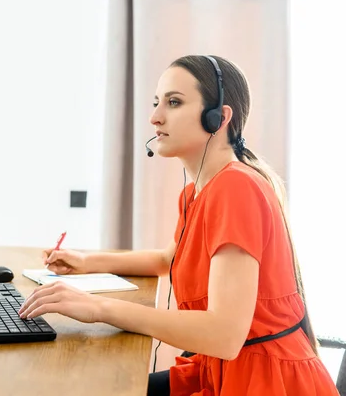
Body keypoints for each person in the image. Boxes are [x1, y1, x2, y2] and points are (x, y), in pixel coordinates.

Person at [18, 55, 339, 395]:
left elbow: (224, 334)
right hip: (222, 370)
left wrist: (98, 308)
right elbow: (167, 260)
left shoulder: (236, 188)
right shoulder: (196, 193)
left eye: (174, 102)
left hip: (262, 382)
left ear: (219, 117)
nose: (155, 117)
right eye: (157, 103)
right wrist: (86, 262)